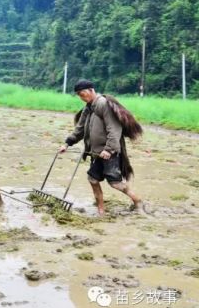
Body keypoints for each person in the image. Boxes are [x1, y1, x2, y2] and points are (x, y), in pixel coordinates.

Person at [59, 79, 144, 215]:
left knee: (115, 183)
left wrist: (109, 149)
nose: (81, 97)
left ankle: (138, 201)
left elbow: (114, 129)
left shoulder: (104, 105)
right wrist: (67, 143)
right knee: (92, 179)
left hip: (109, 153)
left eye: (83, 94)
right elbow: (80, 129)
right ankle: (101, 210)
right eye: (79, 95)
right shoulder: (88, 107)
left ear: (91, 90)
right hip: (96, 153)